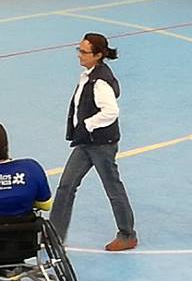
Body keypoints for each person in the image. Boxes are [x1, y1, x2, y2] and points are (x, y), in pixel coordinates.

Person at [50, 33, 137, 251]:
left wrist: (87, 124)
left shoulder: (100, 82)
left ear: (97, 55)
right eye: (78, 50)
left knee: (112, 187)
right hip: (86, 142)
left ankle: (127, 234)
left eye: (84, 51)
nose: (79, 55)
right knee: (66, 185)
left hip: (100, 144)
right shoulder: (89, 76)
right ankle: (55, 234)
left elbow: (111, 111)